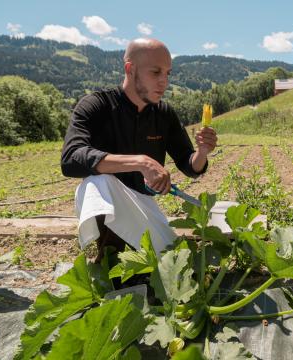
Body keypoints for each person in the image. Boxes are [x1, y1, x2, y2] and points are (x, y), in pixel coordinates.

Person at [61, 38, 217, 262]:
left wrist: (202, 153)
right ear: (129, 69)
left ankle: (130, 265)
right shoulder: (95, 106)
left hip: (144, 205)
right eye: (155, 72)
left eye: (168, 73)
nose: (164, 81)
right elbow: (70, 158)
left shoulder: (164, 114)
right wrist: (140, 162)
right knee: (97, 183)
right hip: (108, 204)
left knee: (171, 263)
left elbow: (188, 164)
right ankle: (109, 258)